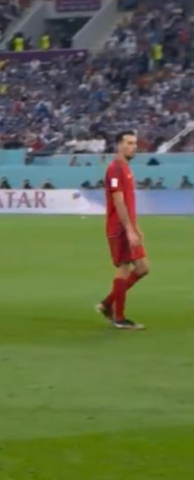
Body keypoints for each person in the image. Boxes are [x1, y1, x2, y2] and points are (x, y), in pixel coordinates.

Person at [96, 130, 149, 330]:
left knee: (142, 268)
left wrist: (135, 227)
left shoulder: (125, 168)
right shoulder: (115, 169)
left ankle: (107, 303)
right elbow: (118, 201)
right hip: (119, 226)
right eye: (129, 143)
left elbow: (127, 201)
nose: (133, 147)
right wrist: (128, 229)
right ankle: (119, 317)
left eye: (134, 143)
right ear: (118, 145)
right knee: (124, 267)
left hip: (127, 225)